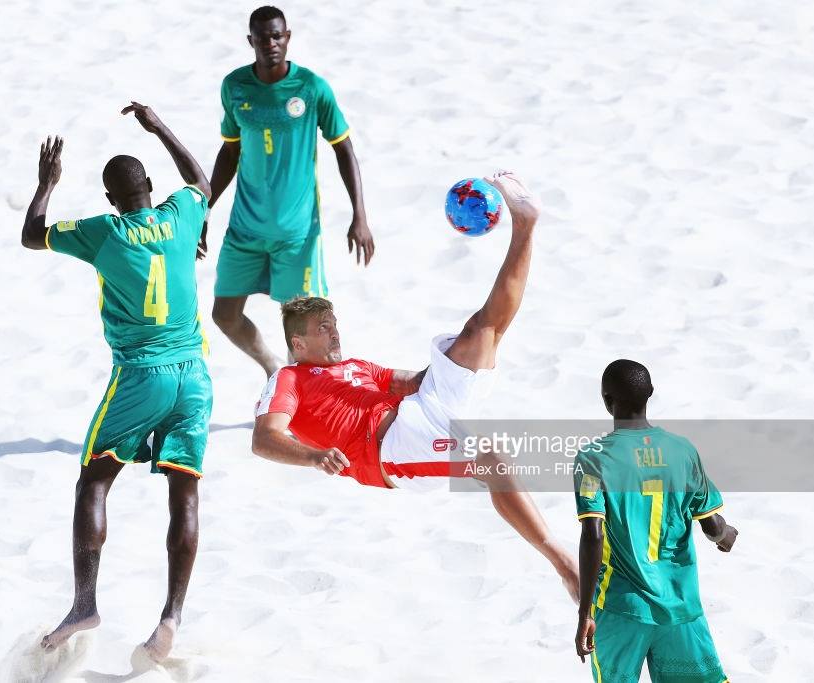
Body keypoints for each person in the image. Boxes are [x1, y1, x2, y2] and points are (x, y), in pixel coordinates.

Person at [252, 173, 579, 600]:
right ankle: (565, 565)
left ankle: (525, 224)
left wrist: (456, 359)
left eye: (334, 325)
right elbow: (265, 438)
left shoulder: (356, 365)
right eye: (323, 329)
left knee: (482, 328)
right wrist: (313, 456)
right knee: (490, 458)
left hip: (424, 406)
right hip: (391, 451)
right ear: (299, 343)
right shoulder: (288, 378)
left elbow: (409, 382)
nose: (335, 334)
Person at [20, 102, 212, 662]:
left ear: (110, 200)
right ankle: (171, 618)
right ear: (150, 185)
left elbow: (33, 235)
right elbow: (200, 179)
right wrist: (159, 127)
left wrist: (45, 185)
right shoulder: (181, 214)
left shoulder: (105, 232)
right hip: (195, 377)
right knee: (185, 494)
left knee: (94, 483)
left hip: (141, 377)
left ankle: (84, 604)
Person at [205, 5, 375, 377]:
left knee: (304, 327)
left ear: (288, 37)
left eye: (277, 35)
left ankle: (301, 397)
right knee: (224, 315)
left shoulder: (312, 88)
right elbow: (230, 151)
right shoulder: (234, 86)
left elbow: (343, 148)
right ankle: (272, 367)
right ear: (251, 41)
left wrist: (359, 215)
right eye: (262, 37)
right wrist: (204, 208)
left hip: (297, 233)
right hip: (245, 229)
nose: (270, 43)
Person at [573, 359, 737, 682]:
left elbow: (593, 534)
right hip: (679, 608)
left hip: (621, 609)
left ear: (607, 401)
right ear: (650, 394)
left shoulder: (593, 459)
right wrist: (726, 535)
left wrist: (584, 611)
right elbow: (712, 526)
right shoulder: (682, 452)